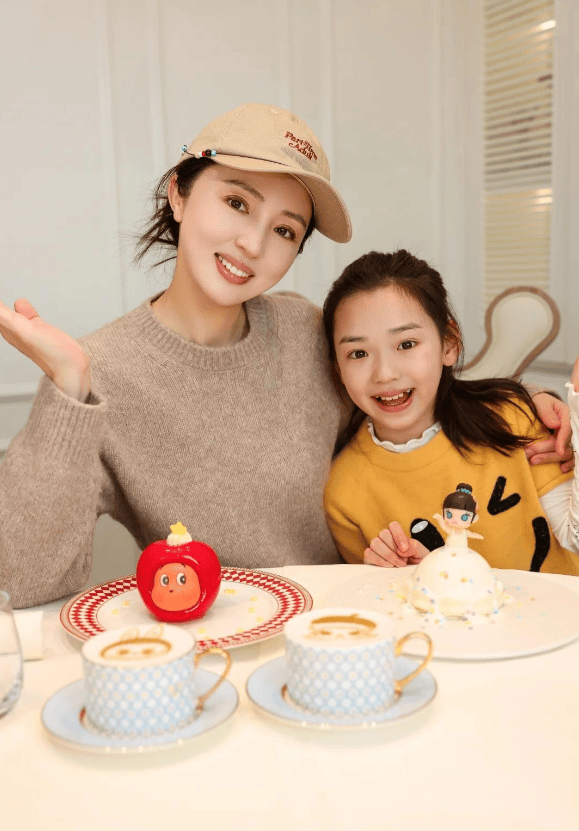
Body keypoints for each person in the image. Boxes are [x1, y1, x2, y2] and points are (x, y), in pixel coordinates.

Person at [0, 107, 570, 609]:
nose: (253, 244)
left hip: (345, 629)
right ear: (178, 194)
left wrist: (529, 403)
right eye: (236, 202)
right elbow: (21, 581)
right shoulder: (100, 372)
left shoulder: (307, 331)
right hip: (212, 647)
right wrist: (68, 387)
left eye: (285, 230)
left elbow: (404, 404)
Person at [322, 249, 579, 575]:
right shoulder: (344, 492)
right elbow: (380, 597)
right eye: (358, 353)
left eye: (406, 344)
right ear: (337, 368)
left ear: (449, 344)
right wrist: (388, 573)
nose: (384, 374)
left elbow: (575, 538)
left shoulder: (514, 419)